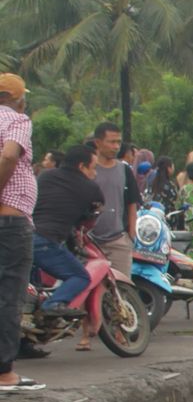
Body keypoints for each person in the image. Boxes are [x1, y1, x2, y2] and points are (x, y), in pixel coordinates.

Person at [0, 73, 42, 391]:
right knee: (9, 296)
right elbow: (10, 155)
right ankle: (4, 374)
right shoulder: (17, 119)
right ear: (16, 98)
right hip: (11, 223)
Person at [31, 144, 101, 317]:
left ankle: (27, 339)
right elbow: (92, 216)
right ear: (81, 166)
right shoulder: (91, 188)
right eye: (93, 168)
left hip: (22, 236)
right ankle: (54, 304)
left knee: (35, 290)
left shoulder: (45, 176)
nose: (95, 173)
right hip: (46, 241)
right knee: (81, 277)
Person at [88, 122, 138, 277]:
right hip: (89, 241)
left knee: (122, 289)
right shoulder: (88, 169)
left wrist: (131, 236)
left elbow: (132, 203)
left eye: (118, 142)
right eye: (111, 142)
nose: (116, 146)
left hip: (118, 241)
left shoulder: (124, 170)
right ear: (98, 142)